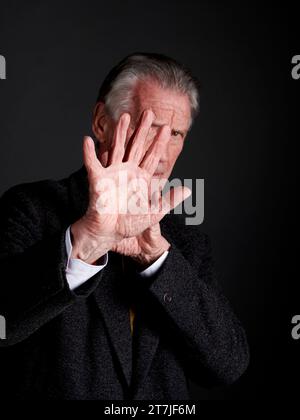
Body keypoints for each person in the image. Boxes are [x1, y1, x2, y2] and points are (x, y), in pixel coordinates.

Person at [0, 53, 249, 400]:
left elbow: (228, 365)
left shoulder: (186, 244)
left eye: (176, 133)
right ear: (102, 122)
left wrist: (157, 259)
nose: (161, 153)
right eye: (147, 126)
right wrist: (87, 241)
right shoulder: (29, 208)